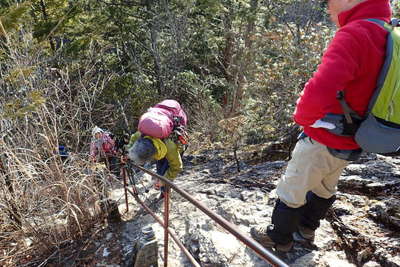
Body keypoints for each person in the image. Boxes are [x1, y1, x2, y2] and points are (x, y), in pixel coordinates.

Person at [250, 0, 392, 253]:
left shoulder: (355, 33)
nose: (326, 7)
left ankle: (279, 239)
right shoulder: (387, 32)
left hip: (325, 134)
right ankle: (306, 229)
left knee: (293, 186)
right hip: (357, 135)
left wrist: (302, 117)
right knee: (326, 185)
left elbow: (321, 87)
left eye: (329, 1)